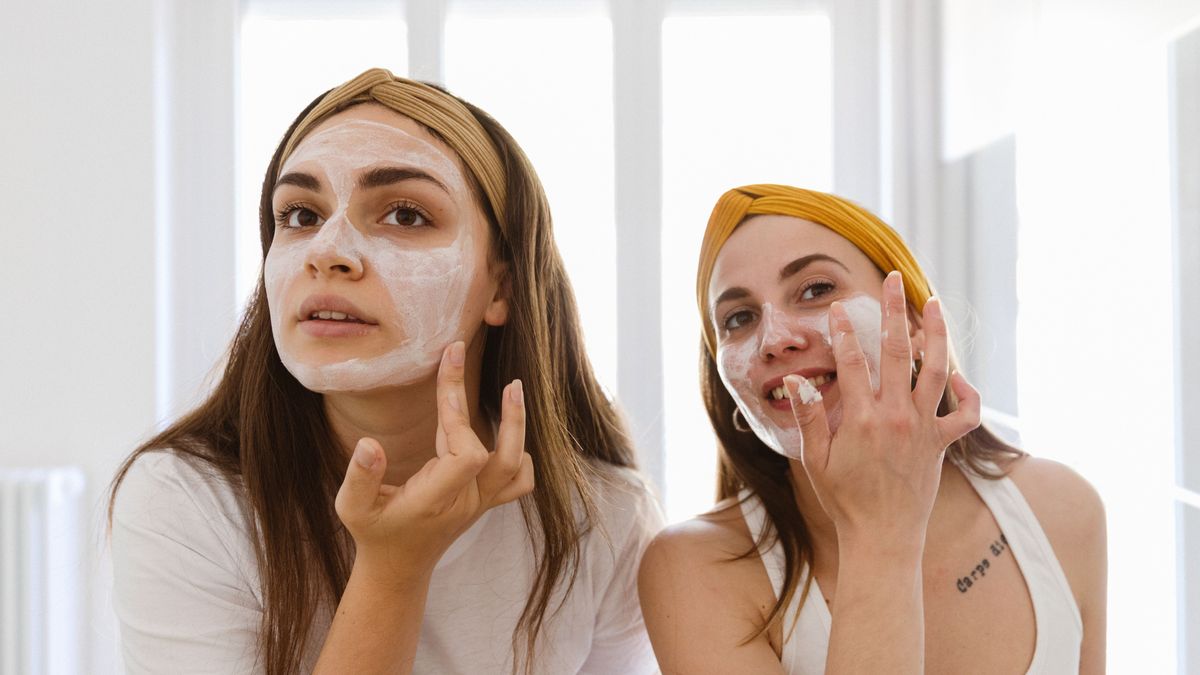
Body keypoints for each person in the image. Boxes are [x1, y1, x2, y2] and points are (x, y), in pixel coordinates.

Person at [108, 68, 662, 675]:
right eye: (299, 215)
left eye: (404, 215)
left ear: (500, 286)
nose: (327, 251)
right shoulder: (188, 500)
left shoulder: (601, 520)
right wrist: (394, 567)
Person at [638, 184, 1106, 674]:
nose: (773, 340)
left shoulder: (1063, 508)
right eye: (739, 318)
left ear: (915, 326)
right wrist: (880, 530)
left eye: (816, 289)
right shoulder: (693, 571)